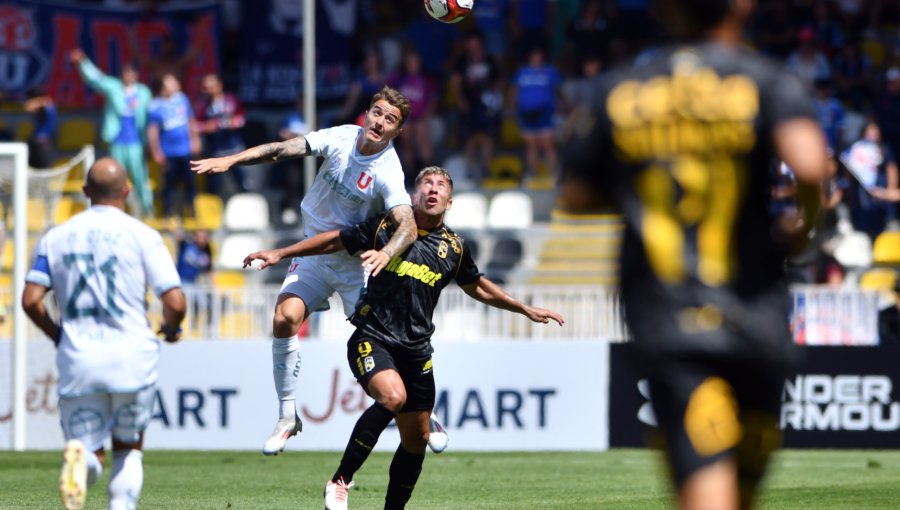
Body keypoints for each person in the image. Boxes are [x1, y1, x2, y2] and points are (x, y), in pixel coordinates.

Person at [559, 1, 831, 509]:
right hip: (757, 312)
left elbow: (574, 194)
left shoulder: (620, 91)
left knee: (709, 486)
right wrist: (804, 227)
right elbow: (812, 167)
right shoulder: (762, 80)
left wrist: (643, 179)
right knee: (740, 489)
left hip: (668, 315)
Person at [242, 167, 564, 510]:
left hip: (417, 351)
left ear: (450, 202)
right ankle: (340, 481)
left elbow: (478, 286)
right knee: (393, 397)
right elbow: (336, 239)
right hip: (373, 338)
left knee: (417, 439)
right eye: (427, 183)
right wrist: (280, 253)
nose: (433, 189)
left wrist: (522, 308)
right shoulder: (387, 226)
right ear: (414, 194)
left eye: (441, 186)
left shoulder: (454, 248)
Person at [191, 86, 450, 456]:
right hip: (314, 252)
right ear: (367, 112)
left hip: (354, 261)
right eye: (377, 113)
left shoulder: (388, 170)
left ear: (397, 131)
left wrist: (385, 254)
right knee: (284, 318)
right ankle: (287, 417)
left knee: (389, 342)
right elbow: (283, 149)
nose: (379, 122)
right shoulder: (341, 137)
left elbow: (407, 225)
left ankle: (426, 408)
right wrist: (232, 160)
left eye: (390, 120)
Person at [21, 157, 186, 510]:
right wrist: (171, 328)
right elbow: (174, 300)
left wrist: (59, 335)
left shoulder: (56, 237)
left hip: (79, 357)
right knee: (128, 448)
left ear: (84, 192)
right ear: (126, 191)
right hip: (132, 358)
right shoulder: (143, 235)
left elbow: (31, 300)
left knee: (86, 445)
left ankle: (85, 462)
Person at [71, 49, 154, 217]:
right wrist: (83, 62)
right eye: (126, 72)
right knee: (115, 178)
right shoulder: (114, 87)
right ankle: (116, 210)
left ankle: (148, 212)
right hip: (117, 140)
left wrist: (153, 144)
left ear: (136, 75)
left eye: (132, 72)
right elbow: (96, 79)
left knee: (140, 178)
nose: (128, 75)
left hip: (136, 142)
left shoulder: (144, 92)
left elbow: (152, 118)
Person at [148, 73, 202, 221]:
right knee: (169, 185)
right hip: (168, 153)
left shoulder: (182, 99)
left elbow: (190, 121)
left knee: (190, 183)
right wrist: (156, 152)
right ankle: (168, 213)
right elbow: (153, 131)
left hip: (185, 151)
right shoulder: (155, 106)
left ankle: (191, 212)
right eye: (169, 83)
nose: (174, 85)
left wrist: (195, 140)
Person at [194, 73, 249, 197]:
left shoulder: (231, 100)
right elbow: (196, 125)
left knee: (243, 183)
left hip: (234, 150)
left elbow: (241, 119)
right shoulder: (202, 105)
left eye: (211, 86)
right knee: (213, 189)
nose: (208, 90)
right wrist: (205, 127)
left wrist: (222, 123)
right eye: (205, 87)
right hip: (214, 152)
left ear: (219, 85)